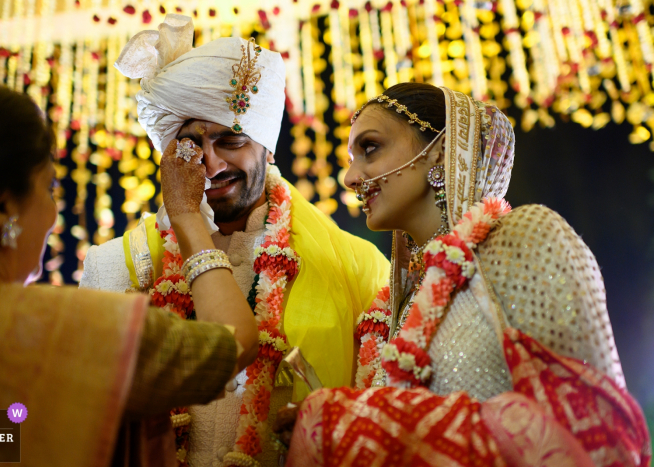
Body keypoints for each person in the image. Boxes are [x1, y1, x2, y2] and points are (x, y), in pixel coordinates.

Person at [276, 83, 651, 466]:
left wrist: (354, 424)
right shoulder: (393, 304)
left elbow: (596, 428)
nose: (350, 177)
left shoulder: (521, 239)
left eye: (370, 149)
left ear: (438, 151)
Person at [79, 14, 390, 467]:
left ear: (266, 144)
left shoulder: (356, 267)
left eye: (229, 140)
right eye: (189, 144)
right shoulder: (119, 266)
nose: (210, 163)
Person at [0, 76, 260, 467]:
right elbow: (234, 343)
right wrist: (185, 215)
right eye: (49, 187)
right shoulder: (83, 331)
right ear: (1, 207)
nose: (52, 214)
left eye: (230, 140)